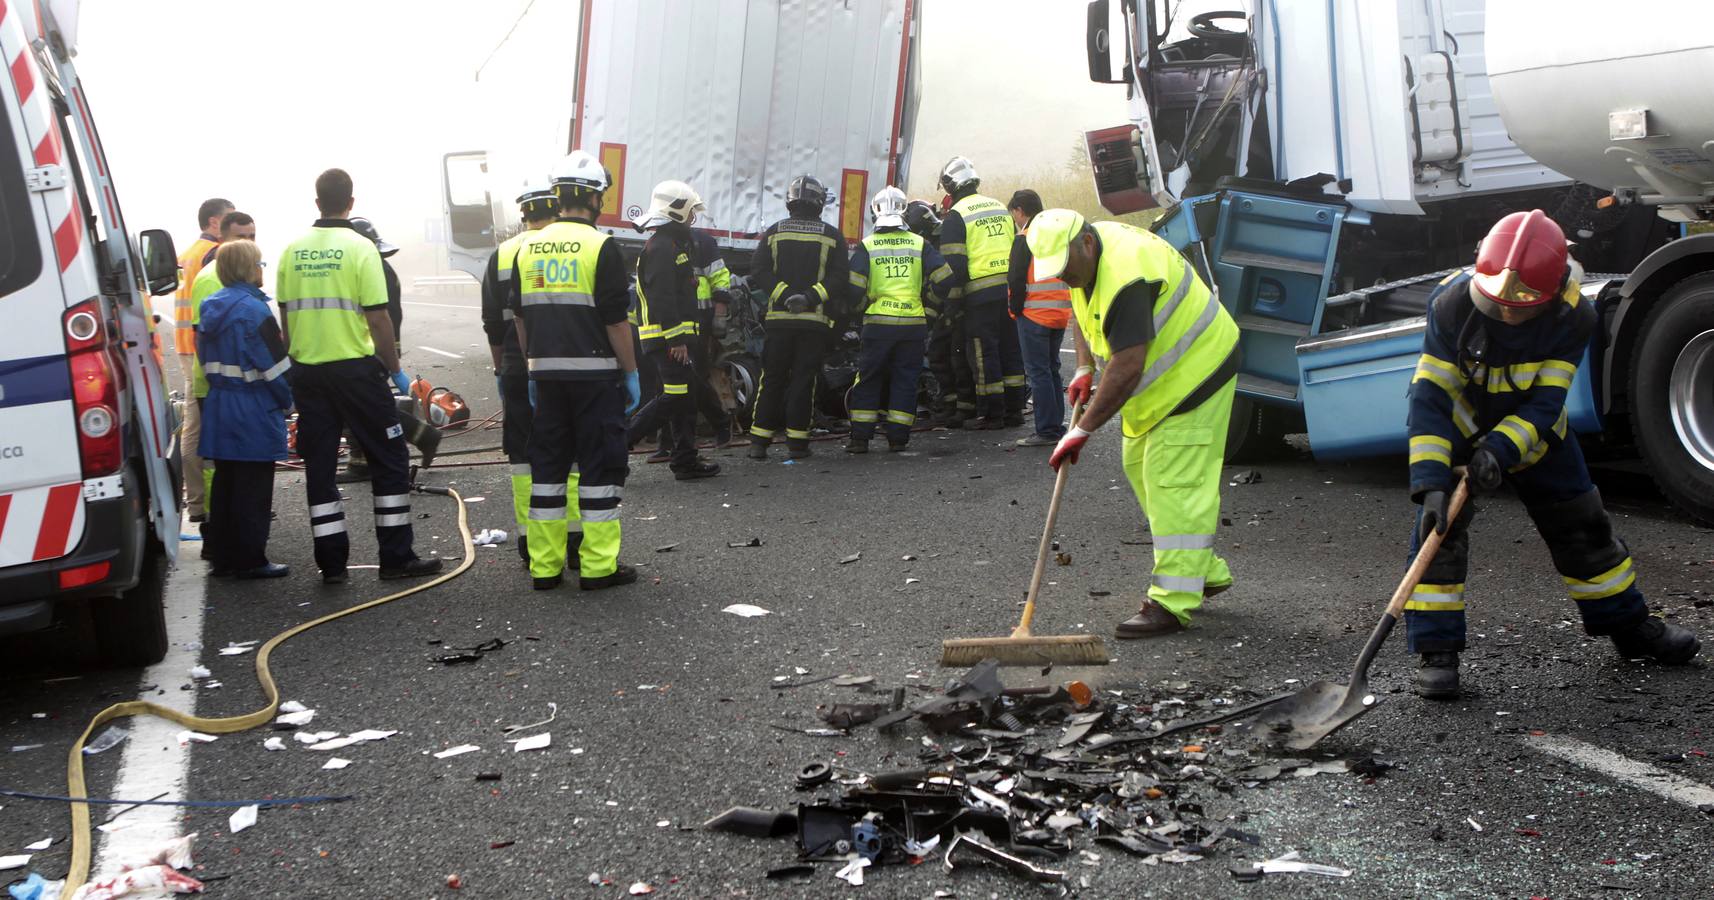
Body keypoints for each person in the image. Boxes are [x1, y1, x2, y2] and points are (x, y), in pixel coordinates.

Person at [1404, 209, 1700, 698]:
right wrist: (1430, 481)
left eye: (1520, 307)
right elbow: (1431, 395)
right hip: (1460, 428)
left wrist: (1499, 450)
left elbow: (1546, 402)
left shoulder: (1575, 315)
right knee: (1439, 534)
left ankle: (1630, 628)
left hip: (1535, 436)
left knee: (1585, 530)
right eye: (1498, 303)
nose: (1506, 313)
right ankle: (1437, 654)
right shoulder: (1453, 303)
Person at [1029, 209, 1241, 639]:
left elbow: (1127, 366)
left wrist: (1082, 430)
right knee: (1136, 464)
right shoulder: (1085, 259)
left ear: (1085, 243)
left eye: (1067, 268)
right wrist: (1084, 368)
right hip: (1162, 380)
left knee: (1172, 481)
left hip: (1197, 367)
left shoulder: (1127, 274)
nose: (1065, 278)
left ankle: (1172, 601)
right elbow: (1082, 308)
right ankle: (1203, 571)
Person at [276, 168, 441, 584]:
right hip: (355, 373)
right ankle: (396, 558)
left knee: (319, 466)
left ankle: (331, 564)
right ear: (351, 202)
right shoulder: (360, 248)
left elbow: (285, 318)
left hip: (308, 373)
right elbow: (379, 318)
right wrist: (396, 370)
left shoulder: (291, 251)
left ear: (318, 202)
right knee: (389, 459)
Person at [509, 150, 641, 591]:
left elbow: (522, 318)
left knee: (548, 472)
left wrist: (532, 370)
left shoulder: (526, 248)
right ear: (594, 199)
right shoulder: (601, 247)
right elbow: (616, 321)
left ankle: (544, 568)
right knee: (598, 471)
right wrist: (631, 371)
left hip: (546, 381)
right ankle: (598, 568)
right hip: (595, 380)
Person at [482, 178, 570, 565]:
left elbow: (491, 321)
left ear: (523, 216)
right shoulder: (566, 248)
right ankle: (573, 540)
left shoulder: (501, 254)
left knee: (522, 457)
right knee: (567, 454)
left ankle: (528, 540)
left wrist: (501, 369)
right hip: (562, 363)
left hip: (518, 366)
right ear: (556, 211)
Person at [197, 240, 291, 579]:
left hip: (220, 404)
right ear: (247, 268)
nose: (261, 269)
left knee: (226, 485)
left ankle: (223, 558)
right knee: (254, 487)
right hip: (252, 406)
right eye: (258, 263)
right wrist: (288, 402)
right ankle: (252, 559)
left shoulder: (210, 306)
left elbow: (205, 359)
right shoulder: (255, 311)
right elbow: (275, 368)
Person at [746, 175, 850, 460]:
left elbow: (759, 270)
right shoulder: (831, 235)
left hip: (779, 321)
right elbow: (840, 277)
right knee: (805, 380)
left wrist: (784, 294)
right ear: (819, 203)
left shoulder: (774, 232)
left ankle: (759, 442)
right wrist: (809, 298)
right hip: (813, 323)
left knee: (772, 379)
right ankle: (797, 443)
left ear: (790, 201)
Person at [844, 187, 953, 453]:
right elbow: (945, 278)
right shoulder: (919, 243)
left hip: (878, 325)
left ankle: (860, 440)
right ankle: (898, 439)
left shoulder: (867, 245)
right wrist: (929, 311)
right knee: (905, 380)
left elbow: (854, 289)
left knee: (869, 378)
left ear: (875, 212)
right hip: (912, 326)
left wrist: (860, 311)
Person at [627, 180, 721, 480]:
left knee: (685, 395)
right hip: (666, 338)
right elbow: (662, 298)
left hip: (672, 337)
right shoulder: (662, 248)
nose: (693, 217)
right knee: (675, 395)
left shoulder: (670, 244)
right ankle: (616, 447)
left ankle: (684, 460)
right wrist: (677, 339)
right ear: (677, 211)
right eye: (691, 211)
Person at [938, 157, 1026, 428]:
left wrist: (950, 304)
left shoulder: (956, 215)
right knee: (1011, 350)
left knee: (983, 353)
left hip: (979, 297)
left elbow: (955, 265)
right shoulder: (999, 206)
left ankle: (992, 414)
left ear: (950, 186)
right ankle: (1014, 411)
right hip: (1009, 292)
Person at [185, 211, 258, 526]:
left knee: (230, 459)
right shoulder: (214, 276)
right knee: (222, 460)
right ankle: (218, 521)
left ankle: (223, 522)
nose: (248, 243)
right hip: (220, 386)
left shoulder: (234, 274)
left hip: (229, 384)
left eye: (252, 236)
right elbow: (204, 336)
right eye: (241, 236)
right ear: (223, 237)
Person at [175, 197, 233, 523]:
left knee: (194, 425)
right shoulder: (208, 257)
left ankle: (200, 502)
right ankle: (200, 505)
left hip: (188, 345)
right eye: (227, 221)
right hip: (199, 350)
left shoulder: (188, 254)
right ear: (214, 223)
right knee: (197, 428)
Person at [1006, 190, 1073, 447]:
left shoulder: (1025, 238)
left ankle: (1046, 430)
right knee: (1051, 370)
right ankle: (1056, 425)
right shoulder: (1056, 236)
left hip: (1033, 314)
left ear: (1020, 210)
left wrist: (1014, 310)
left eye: (1014, 213)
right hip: (1058, 314)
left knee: (1038, 373)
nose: (1014, 218)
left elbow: (1015, 279)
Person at [339, 216, 403, 484]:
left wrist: (391, 361)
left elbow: (382, 317)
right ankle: (375, 456)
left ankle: (364, 461)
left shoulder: (377, 270)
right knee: (369, 406)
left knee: (359, 407)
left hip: (371, 348)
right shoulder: (378, 267)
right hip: (374, 347)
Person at [910, 199, 976, 428]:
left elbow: (944, 281)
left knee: (951, 357)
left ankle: (961, 407)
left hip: (952, 308)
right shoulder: (937, 239)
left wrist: (932, 314)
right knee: (944, 356)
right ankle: (952, 405)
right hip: (949, 308)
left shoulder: (936, 245)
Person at [689, 227, 736, 448]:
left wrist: (719, 313)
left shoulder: (700, 241)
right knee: (674, 383)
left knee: (693, 379)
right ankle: (673, 442)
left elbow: (719, 276)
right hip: (672, 322)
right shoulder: (658, 242)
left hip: (699, 320)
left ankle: (719, 423)